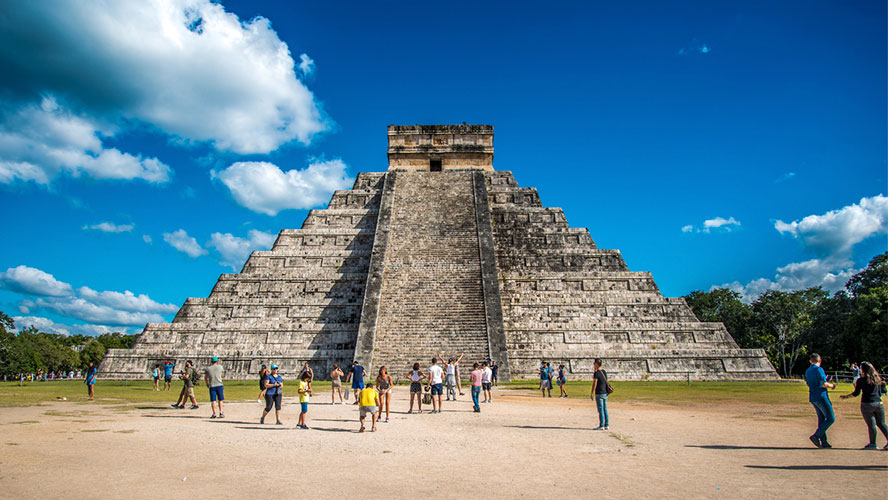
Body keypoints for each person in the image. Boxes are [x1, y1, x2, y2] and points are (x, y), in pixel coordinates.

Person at [840, 361, 888, 450]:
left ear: (863, 370)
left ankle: (873, 444)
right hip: (879, 403)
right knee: (882, 423)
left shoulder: (861, 380)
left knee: (871, 425)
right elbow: (880, 392)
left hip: (867, 404)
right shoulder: (877, 379)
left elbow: (856, 393)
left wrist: (846, 396)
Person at [805, 353, 836, 448]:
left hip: (813, 396)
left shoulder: (808, 370)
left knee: (822, 419)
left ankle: (824, 441)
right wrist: (832, 386)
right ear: (820, 360)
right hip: (821, 396)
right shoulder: (819, 369)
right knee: (831, 418)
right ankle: (816, 436)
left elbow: (808, 382)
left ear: (810, 361)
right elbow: (824, 384)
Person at [590, 358, 609, 430]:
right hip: (605, 392)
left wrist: (592, 392)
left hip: (599, 393)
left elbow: (595, 383)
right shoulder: (604, 372)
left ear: (596, 364)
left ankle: (601, 425)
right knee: (605, 409)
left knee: (600, 409)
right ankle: (606, 424)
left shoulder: (597, 373)